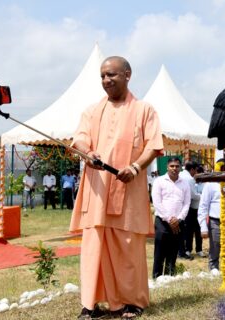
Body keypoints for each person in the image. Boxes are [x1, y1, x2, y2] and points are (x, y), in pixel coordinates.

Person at [70, 56, 164, 319]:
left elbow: (154, 146)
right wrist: (88, 153)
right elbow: (79, 139)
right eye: (102, 76)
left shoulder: (145, 109)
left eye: (111, 75)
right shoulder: (91, 111)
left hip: (129, 191)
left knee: (128, 246)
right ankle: (90, 304)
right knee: (94, 246)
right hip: (97, 191)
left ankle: (132, 301)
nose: (106, 80)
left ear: (127, 74)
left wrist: (134, 168)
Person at [151, 157, 191, 278]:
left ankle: (169, 277)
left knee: (173, 252)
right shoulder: (159, 181)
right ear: (167, 167)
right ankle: (157, 278)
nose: (174, 168)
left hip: (178, 223)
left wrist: (178, 220)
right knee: (159, 252)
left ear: (180, 167)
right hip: (162, 222)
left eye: (177, 166)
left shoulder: (185, 183)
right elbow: (157, 203)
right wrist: (169, 219)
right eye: (172, 166)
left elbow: (186, 203)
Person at [197, 181, 225, 271]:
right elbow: (203, 206)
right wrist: (203, 227)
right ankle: (214, 269)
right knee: (215, 247)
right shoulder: (210, 184)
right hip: (215, 222)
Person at [179, 161, 202, 259]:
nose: (195, 173)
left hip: (178, 206)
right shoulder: (189, 179)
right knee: (190, 229)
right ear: (192, 169)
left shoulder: (179, 175)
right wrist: (203, 196)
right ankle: (185, 250)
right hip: (189, 208)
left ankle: (184, 250)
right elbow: (193, 195)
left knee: (182, 230)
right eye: (195, 171)